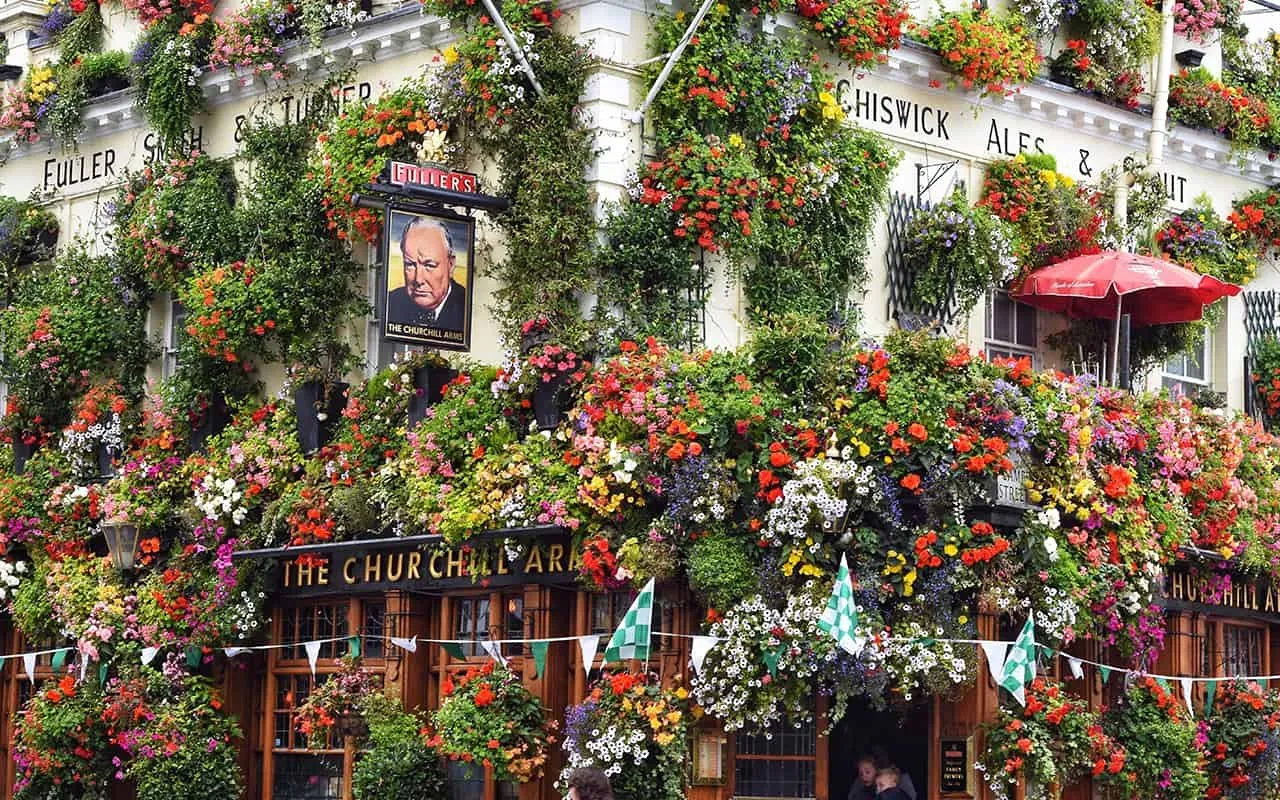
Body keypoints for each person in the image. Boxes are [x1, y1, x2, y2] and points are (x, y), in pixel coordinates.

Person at [386, 216, 467, 332]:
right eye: (410, 264)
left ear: (451, 264)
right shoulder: (391, 303)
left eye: (429, 265)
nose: (418, 279)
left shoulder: (465, 306)